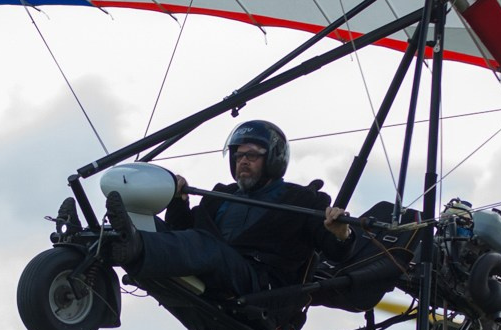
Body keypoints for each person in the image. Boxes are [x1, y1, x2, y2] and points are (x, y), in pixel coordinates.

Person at [104, 119, 352, 300]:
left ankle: (136, 245)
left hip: (258, 285)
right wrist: (179, 201)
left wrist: (341, 234)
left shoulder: (303, 200)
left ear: (273, 159)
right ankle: (92, 244)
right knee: (150, 225)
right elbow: (181, 236)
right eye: (238, 155)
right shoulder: (221, 195)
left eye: (252, 155)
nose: (243, 161)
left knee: (207, 247)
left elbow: (334, 250)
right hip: (212, 267)